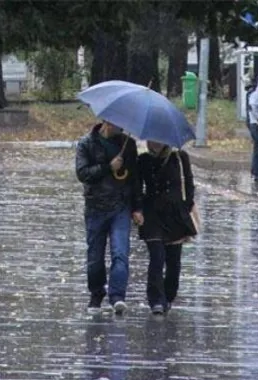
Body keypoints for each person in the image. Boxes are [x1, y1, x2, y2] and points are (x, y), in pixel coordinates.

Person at [76, 121, 142, 315]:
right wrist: (108, 167)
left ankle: (117, 296)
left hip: (120, 207)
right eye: (116, 122)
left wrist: (137, 207)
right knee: (95, 256)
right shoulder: (86, 144)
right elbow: (82, 173)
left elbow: (134, 178)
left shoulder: (127, 145)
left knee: (120, 252)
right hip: (95, 207)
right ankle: (96, 295)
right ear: (106, 122)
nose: (120, 126)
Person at [136, 141, 195, 315]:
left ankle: (168, 296)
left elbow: (189, 183)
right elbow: (138, 187)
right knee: (157, 257)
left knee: (173, 261)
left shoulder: (180, 157)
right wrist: (137, 209)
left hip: (175, 215)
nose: (152, 143)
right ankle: (156, 300)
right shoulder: (144, 160)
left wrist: (187, 205)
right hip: (152, 214)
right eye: (150, 140)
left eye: (156, 140)